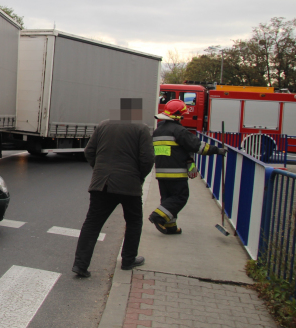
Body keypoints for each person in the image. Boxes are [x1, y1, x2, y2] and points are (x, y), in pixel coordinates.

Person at [73, 98, 155, 278]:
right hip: (129, 185)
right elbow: (147, 159)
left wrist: (99, 169)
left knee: (92, 224)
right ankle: (128, 260)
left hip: (101, 184)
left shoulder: (103, 126)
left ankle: (80, 265)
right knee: (134, 221)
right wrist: (139, 177)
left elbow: (89, 152)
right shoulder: (141, 129)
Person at [149, 99, 226, 234]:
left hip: (161, 173)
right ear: (178, 115)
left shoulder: (158, 131)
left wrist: (189, 160)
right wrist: (217, 150)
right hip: (176, 173)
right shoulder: (179, 130)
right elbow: (197, 146)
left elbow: (177, 149)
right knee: (180, 197)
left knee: (168, 199)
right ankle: (158, 216)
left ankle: (170, 226)